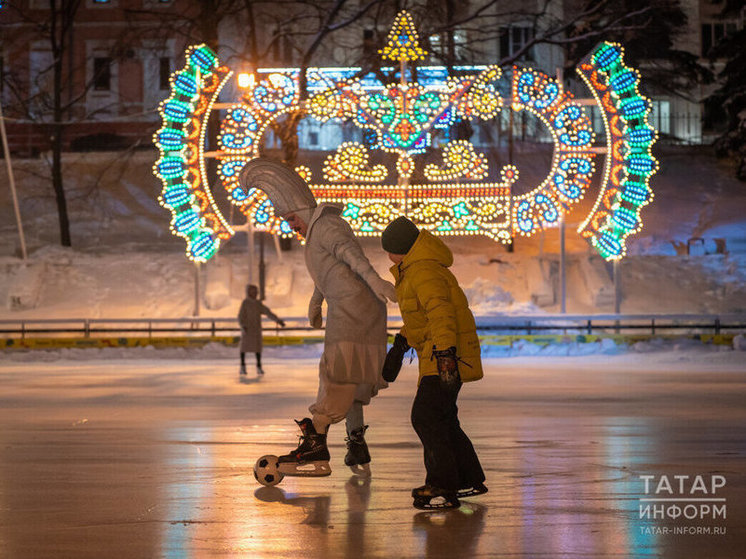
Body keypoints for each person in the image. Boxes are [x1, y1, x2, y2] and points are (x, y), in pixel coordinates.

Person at [239, 158, 396, 476]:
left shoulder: (326, 226)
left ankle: (317, 438)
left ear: (301, 211)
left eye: (291, 219)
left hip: (356, 311)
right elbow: (330, 274)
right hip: (350, 308)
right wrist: (316, 301)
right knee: (348, 377)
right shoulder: (316, 233)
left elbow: (351, 256)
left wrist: (375, 279)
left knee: (337, 372)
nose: (290, 226)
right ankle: (354, 442)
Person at [380, 216, 486, 510]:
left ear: (400, 248)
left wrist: (445, 355)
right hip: (439, 353)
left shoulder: (422, 270)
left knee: (425, 416)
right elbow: (422, 319)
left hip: (444, 356)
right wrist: (401, 343)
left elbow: (441, 313)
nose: (388, 256)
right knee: (443, 419)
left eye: (389, 249)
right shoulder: (415, 270)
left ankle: (442, 482)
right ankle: (466, 477)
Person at [237, 284, 285, 375]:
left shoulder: (257, 304)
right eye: (253, 292)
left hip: (256, 330)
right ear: (249, 292)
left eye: (256, 292)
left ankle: (259, 366)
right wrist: (243, 326)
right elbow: (240, 316)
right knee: (244, 348)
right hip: (247, 330)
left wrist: (278, 320)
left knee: (257, 349)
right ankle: (242, 366)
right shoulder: (245, 303)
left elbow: (268, 312)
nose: (255, 293)